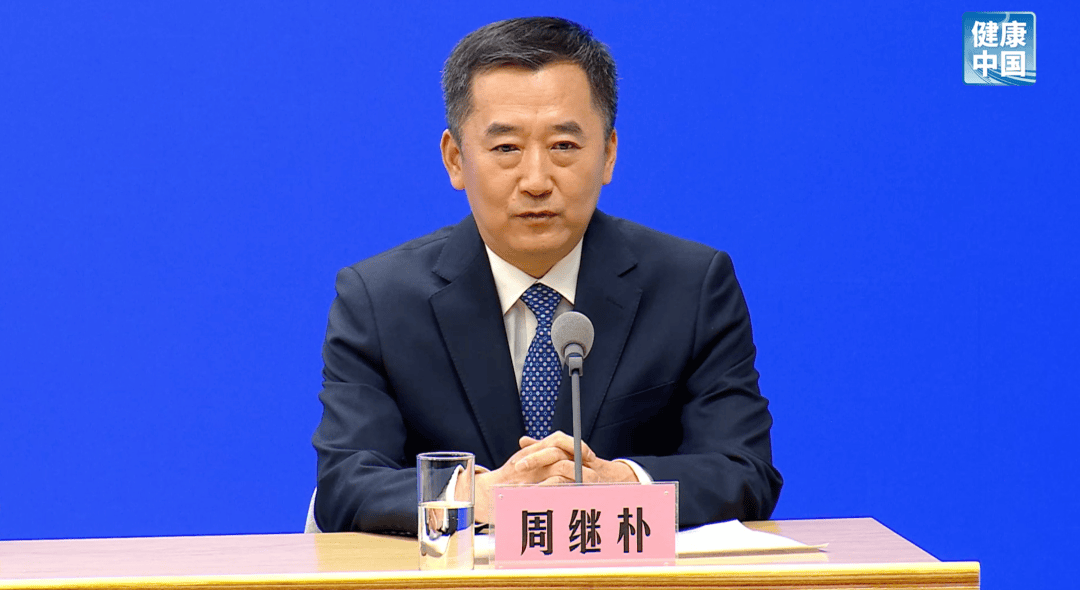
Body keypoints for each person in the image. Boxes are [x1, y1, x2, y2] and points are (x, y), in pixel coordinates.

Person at [312, 16, 782, 534]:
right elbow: (345, 484)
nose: (536, 180)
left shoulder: (691, 286)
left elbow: (745, 470)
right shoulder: (379, 300)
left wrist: (623, 486)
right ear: (455, 160)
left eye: (563, 146)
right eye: (506, 148)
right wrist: (478, 497)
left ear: (608, 154)